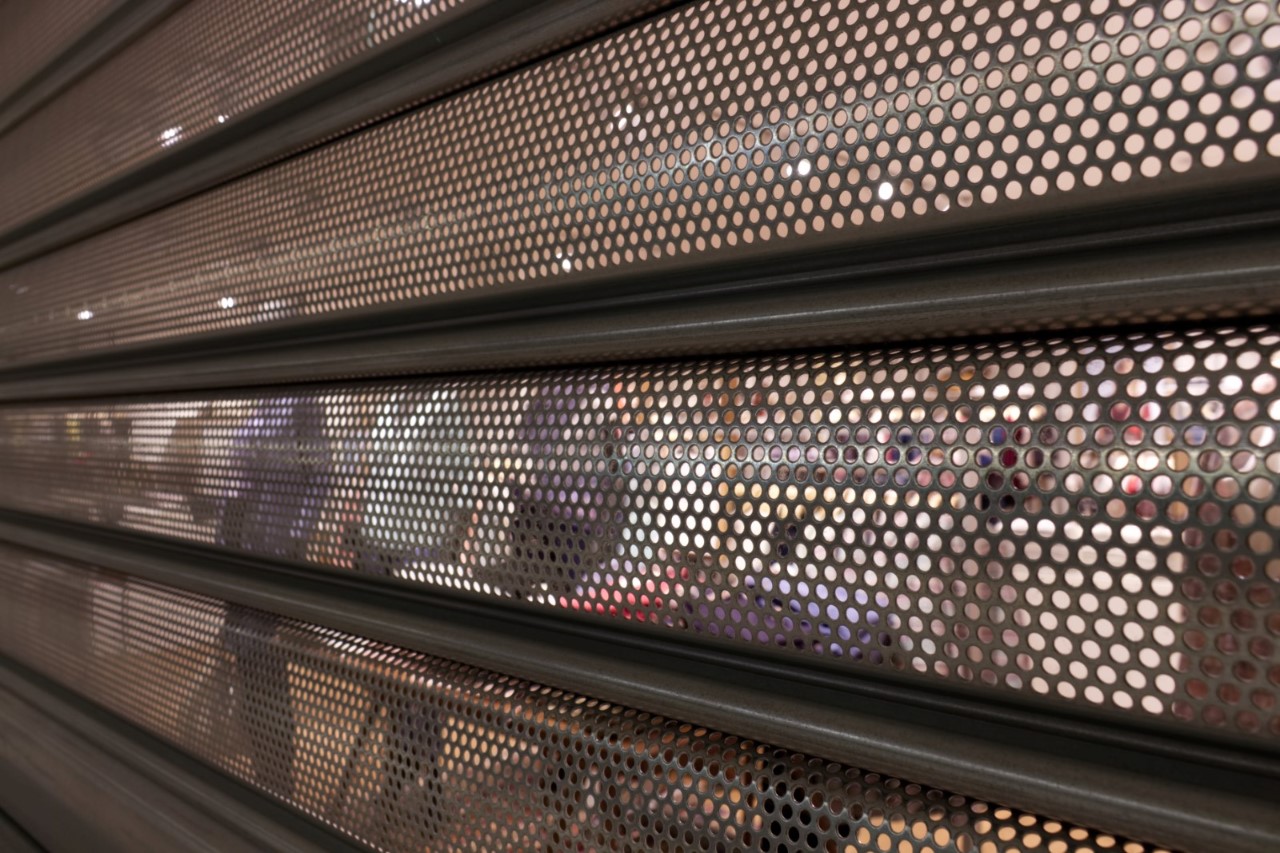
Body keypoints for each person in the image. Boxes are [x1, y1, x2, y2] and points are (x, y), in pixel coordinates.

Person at [215, 395, 328, 801]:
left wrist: (296, 537)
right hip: (239, 552)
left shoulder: (301, 403)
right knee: (248, 669)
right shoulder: (259, 405)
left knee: (268, 673)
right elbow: (236, 483)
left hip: (272, 554)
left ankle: (280, 783)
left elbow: (321, 476)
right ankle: (264, 776)